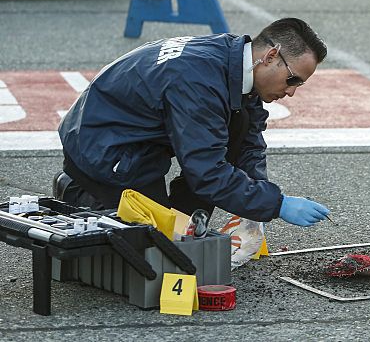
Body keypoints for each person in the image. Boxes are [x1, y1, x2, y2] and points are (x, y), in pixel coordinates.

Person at [55, 17, 331, 228]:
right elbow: (207, 172)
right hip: (103, 147)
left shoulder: (238, 60)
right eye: (293, 79)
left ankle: (185, 218)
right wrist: (276, 204)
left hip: (134, 134)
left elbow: (248, 140)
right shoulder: (199, 82)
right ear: (271, 56)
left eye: (300, 84)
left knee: (240, 120)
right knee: (151, 244)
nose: (292, 91)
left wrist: (258, 197)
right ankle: (79, 190)